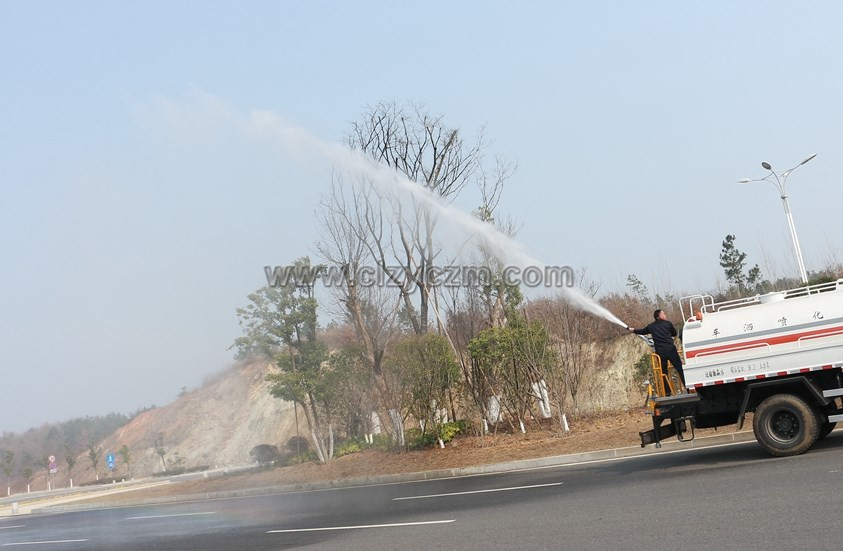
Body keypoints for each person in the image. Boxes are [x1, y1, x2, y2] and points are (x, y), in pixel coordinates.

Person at [628, 309, 685, 393]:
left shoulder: (651, 326)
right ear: (659, 316)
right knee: (680, 369)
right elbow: (674, 333)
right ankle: (688, 387)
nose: (665, 315)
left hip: (660, 353)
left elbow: (642, 331)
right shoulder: (668, 324)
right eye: (664, 314)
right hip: (671, 350)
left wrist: (633, 330)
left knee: (663, 373)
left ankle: (667, 392)